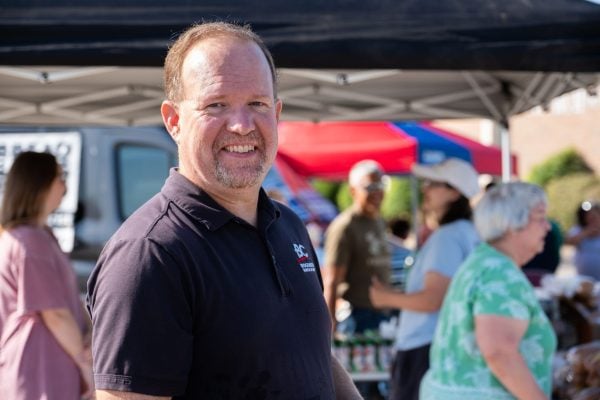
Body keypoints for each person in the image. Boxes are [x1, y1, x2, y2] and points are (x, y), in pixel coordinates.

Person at [86, 21, 360, 399]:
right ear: (174, 120)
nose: (242, 125)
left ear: (277, 113)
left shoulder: (289, 227)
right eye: (216, 105)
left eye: (257, 104)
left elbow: (313, 356)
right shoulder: (150, 254)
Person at [420, 182, 557, 400]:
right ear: (513, 224)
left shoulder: (484, 260)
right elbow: (499, 353)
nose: (547, 227)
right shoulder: (499, 273)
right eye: (540, 218)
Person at [369, 157, 480, 400]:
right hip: (439, 345)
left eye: (433, 183)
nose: (425, 188)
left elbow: (433, 299)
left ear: (454, 193)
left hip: (424, 347)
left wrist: (385, 297)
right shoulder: (466, 232)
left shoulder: (447, 237)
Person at [0, 151, 93, 400]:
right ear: (40, 185)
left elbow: (64, 300)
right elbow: (55, 313)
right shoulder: (30, 241)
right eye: (59, 177)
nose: (64, 186)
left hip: (36, 369)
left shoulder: (33, 236)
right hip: (40, 371)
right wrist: (85, 364)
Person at [323, 159, 392, 335]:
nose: (377, 192)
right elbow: (332, 280)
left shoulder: (377, 220)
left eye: (380, 185)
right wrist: (330, 329)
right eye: (370, 187)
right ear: (353, 191)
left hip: (382, 313)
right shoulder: (345, 226)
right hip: (357, 317)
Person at [565, 200, 600, 280]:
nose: (591, 216)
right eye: (588, 214)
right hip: (583, 278)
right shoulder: (578, 229)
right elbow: (568, 242)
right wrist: (585, 233)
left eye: (594, 214)